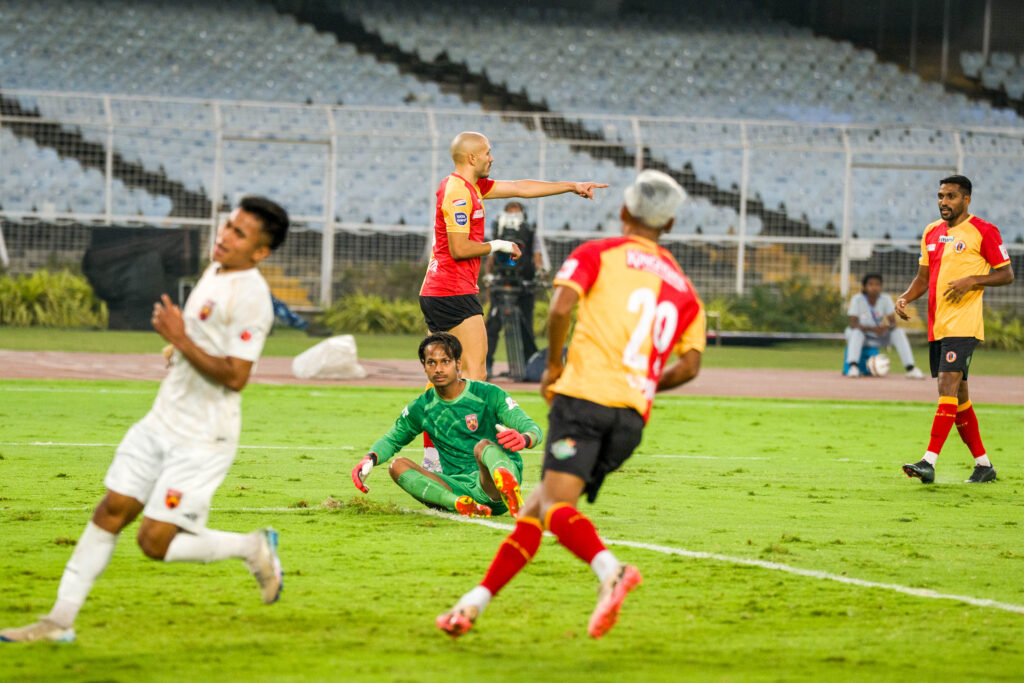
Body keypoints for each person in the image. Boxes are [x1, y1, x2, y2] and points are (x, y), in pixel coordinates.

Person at [0, 197, 290, 643]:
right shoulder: (215, 271)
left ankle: (250, 547)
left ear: (260, 252)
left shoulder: (253, 298)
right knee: (110, 511)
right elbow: (204, 341)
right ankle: (58, 622)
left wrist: (180, 339)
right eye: (227, 225)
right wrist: (181, 346)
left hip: (202, 437)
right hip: (161, 420)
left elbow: (236, 376)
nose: (224, 236)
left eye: (238, 234)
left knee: (154, 543)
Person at [436, 169, 706, 640]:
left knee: (557, 507)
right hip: (631, 418)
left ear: (624, 211)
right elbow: (689, 367)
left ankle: (613, 572)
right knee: (537, 510)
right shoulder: (684, 288)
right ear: (670, 224)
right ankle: (470, 606)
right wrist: (640, 385)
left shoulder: (599, 253)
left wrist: (554, 371)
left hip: (583, 400)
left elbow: (560, 308)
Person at [419, 130, 609, 382]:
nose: (492, 158)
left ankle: (418, 423)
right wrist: (499, 245)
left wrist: (571, 186)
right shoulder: (458, 193)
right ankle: (475, 422)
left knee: (442, 376)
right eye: (487, 152)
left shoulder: (470, 186)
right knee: (475, 372)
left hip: (436, 290)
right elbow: (459, 249)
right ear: (472, 158)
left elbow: (520, 187)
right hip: (453, 292)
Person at [897, 175, 1014, 485]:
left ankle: (928, 461)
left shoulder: (983, 231)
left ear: (966, 200)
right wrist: (906, 297)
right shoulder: (931, 232)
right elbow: (923, 278)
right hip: (939, 325)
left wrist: (973, 280)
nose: (943, 202)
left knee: (947, 386)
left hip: (964, 324)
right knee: (959, 396)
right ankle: (983, 465)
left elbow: (1006, 274)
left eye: (950, 196)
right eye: (940, 196)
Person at [351, 332, 543, 518]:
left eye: (445, 361)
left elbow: (532, 428)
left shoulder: (488, 394)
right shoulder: (421, 407)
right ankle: (460, 504)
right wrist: (369, 458)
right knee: (397, 466)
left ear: (458, 364)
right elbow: (392, 440)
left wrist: (525, 439)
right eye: (431, 363)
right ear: (424, 367)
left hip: (491, 484)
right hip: (457, 485)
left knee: (482, 446)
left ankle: (509, 491)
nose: (438, 369)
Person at [484, 201, 544, 378]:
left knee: (526, 327)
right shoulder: (497, 233)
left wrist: (539, 273)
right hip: (500, 283)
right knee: (493, 327)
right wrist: (489, 276)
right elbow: (491, 257)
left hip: (524, 286)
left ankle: (528, 367)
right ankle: (486, 365)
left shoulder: (531, 234)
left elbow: (537, 256)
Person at [843, 273, 925, 378]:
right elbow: (853, 323)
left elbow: (893, 322)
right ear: (864, 287)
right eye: (871, 284)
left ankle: (911, 368)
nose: (874, 287)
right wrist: (872, 329)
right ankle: (853, 367)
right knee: (856, 333)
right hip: (864, 336)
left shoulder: (885, 299)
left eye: (877, 284)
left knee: (898, 332)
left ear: (881, 287)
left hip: (879, 336)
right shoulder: (857, 299)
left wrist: (885, 328)